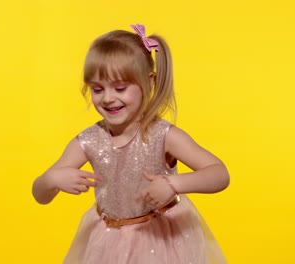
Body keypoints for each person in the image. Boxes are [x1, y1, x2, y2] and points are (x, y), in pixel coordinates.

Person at [32, 24, 230, 263]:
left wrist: (174, 183)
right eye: (97, 89)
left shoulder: (163, 136)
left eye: (120, 88)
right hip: (108, 241)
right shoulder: (89, 140)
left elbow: (220, 174)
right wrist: (52, 179)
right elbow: (40, 194)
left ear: (148, 82)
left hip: (161, 242)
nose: (107, 98)